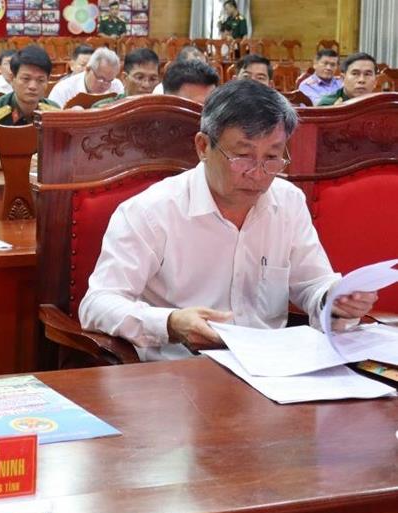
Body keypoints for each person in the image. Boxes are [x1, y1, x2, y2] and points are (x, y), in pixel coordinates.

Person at [79, 80, 377, 361]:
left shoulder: (288, 202)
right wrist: (170, 323)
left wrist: (334, 300)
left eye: (272, 157)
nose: (258, 173)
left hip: (272, 370)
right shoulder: (151, 211)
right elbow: (97, 304)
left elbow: (312, 284)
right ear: (203, 147)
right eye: (242, 156)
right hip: (180, 373)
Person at [0, 45, 59, 168]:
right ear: (12, 79)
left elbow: (66, 152)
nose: (33, 86)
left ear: (47, 82)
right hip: (1, 178)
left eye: (40, 80)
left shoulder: (55, 113)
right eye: (26, 79)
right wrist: (24, 162)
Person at [48, 47, 124, 108]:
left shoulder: (116, 85)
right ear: (88, 70)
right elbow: (51, 118)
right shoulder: (63, 89)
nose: (105, 85)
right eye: (101, 79)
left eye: (109, 81)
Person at [93, 48, 160, 107]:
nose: (146, 85)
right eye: (139, 78)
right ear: (124, 78)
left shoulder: (162, 108)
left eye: (153, 79)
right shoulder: (103, 109)